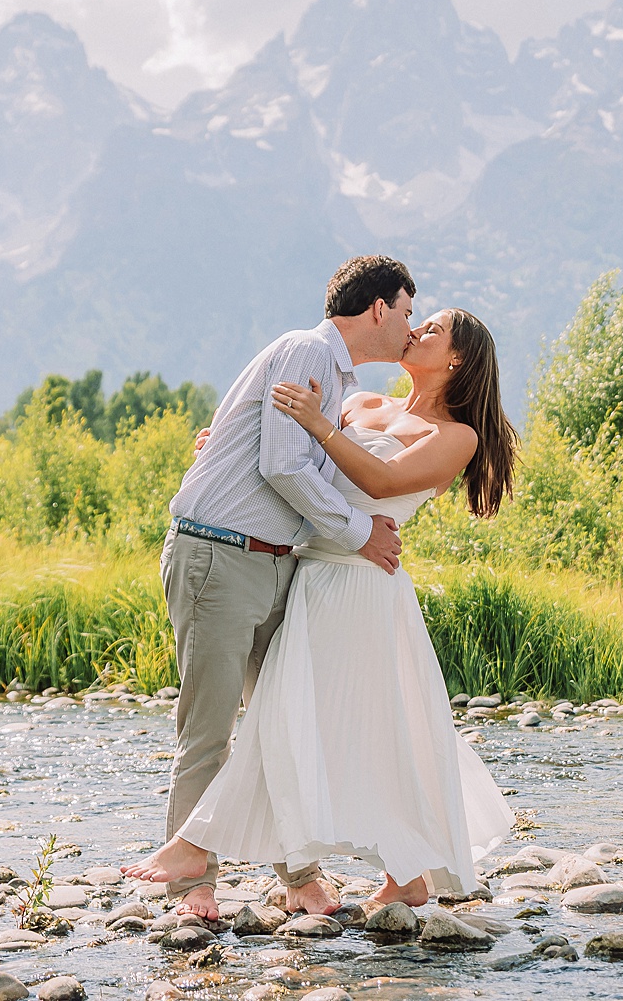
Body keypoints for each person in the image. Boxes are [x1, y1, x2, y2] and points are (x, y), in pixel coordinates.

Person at [132, 305, 519, 910]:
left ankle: (396, 869)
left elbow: (383, 482)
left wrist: (317, 423)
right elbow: (293, 461)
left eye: (433, 328)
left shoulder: (456, 436)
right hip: (305, 576)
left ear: (457, 359)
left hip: (362, 583)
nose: (417, 331)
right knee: (298, 725)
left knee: (372, 729)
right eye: (418, 319)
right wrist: (230, 446)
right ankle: (364, 874)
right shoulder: (362, 404)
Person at [121, 255, 414, 920]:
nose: (408, 327)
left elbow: (283, 454)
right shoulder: (307, 350)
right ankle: (191, 883)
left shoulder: (331, 378)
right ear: (376, 309)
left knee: (283, 719)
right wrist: (358, 530)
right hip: (220, 557)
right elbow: (283, 464)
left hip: (275, 564)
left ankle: (300, 876)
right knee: (210, 727)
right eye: (405, 312)